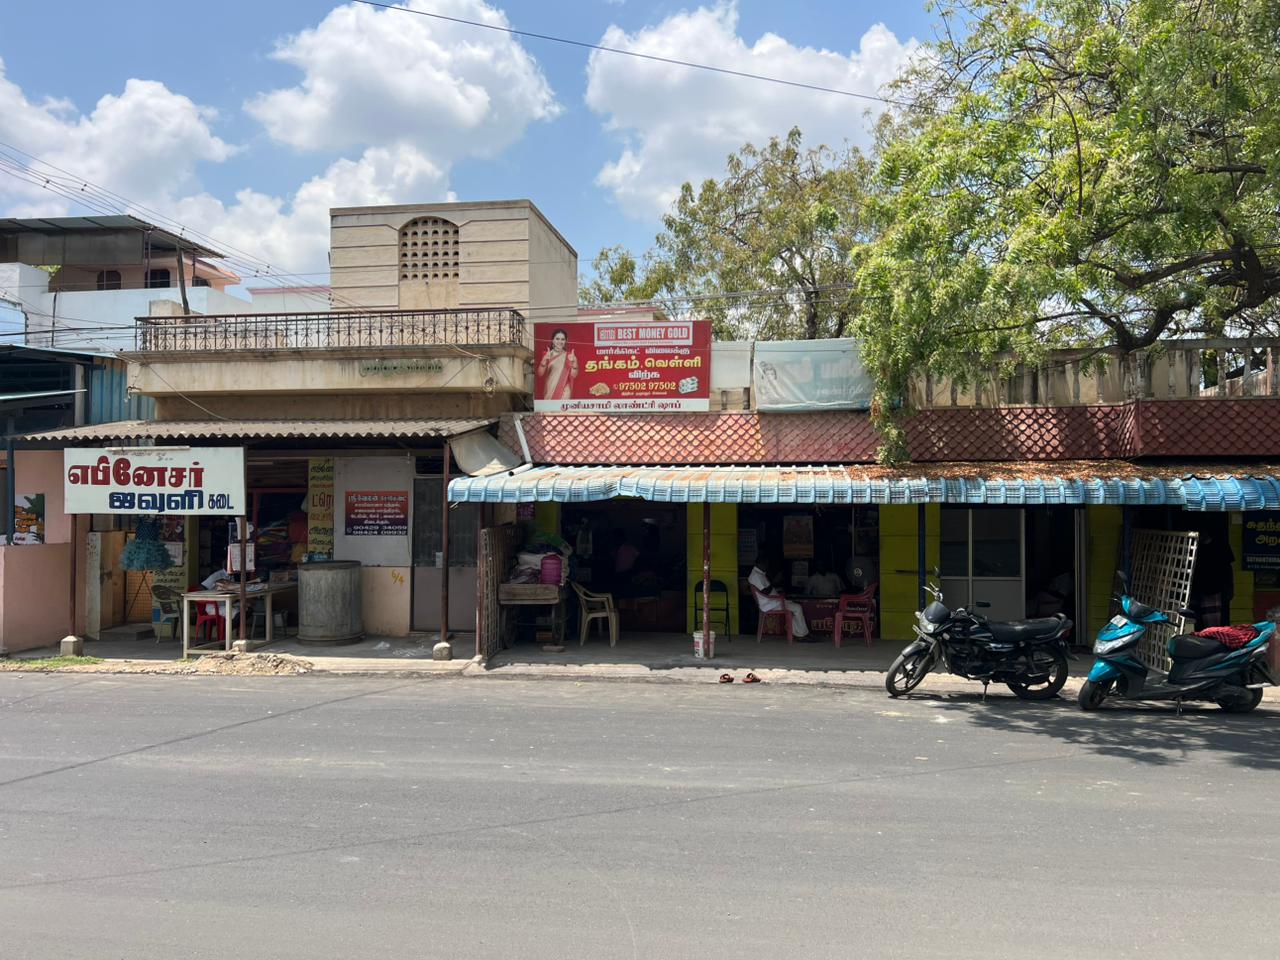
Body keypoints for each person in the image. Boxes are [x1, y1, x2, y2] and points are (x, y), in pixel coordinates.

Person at [748, 552, 810, 639]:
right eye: (767, 564)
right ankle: (802, 635)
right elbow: (765, 591)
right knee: (797, 607)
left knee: (793, 607)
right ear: (761, 563)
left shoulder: (759, 574)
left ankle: (799, 633)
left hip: (772, 602)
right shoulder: (756, 576)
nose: (767, 566)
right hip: (770, 604)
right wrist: (774, 582)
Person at [536, 328, 578, 400]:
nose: (560, 341)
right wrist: (543, 362)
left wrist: (574, 363)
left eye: (562, 339)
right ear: (553, 340)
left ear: (566, 341)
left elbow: (574, 375)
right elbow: (540, 373)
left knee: (562, 410)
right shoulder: (547, 355)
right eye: (557, 339)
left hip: (564, 391)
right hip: (550, 389)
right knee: (550, 410)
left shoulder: (570, 356)